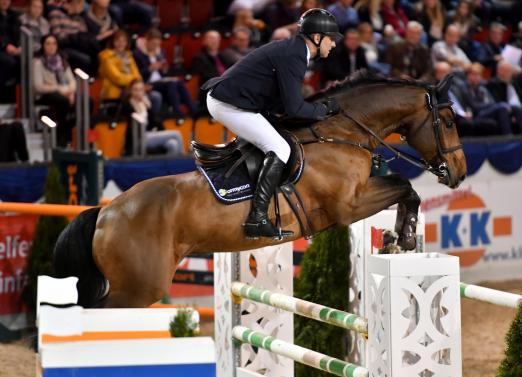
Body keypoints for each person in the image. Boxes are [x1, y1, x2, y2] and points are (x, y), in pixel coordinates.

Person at [202, 8, 342, 239]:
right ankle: (257, 218)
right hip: (228, 104)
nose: (334, 44)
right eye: (331, 38)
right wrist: (324, 110)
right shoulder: (295, 55)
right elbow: (294, 108)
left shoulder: (295, 50)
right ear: (317, 38)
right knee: (280, 148)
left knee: (281, 136)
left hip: (238, 100)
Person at [134, 28, 196, 119]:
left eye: (158, 44)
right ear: (147, 41)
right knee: (172, 84)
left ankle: (193, 110)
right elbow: (138, 76)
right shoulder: (138, 54)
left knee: (179, 82)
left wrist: (164, 69)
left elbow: (165, 72)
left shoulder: (161, 52)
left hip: (161, 81)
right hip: (148, 83)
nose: (156, 46)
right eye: (153, 44)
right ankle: (177, 112)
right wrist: (150, 69)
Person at [98, 30, 161, 117]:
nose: (121, 44)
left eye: (123, 41)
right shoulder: (106, 57)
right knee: (137, 96)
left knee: (155, 96)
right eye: (118, 41)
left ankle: (149, 123)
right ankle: (138, 124)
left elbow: (137, 74)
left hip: (133, 89)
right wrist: (135, 84)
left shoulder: (128, 55)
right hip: (116, 91)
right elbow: (118, 78)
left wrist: (138, 85)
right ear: (113, 42)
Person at [33, 34, 77, 146]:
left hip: (64, 93)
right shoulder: (38, 63)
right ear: (43, 46)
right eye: (48, 43)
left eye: (54, 43)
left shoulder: (62, 61)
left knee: (87, 101)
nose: (51, 46)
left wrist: (69, 92)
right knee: (62, 101)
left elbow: (72, 81)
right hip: (45, 94)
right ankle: (60, 137)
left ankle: (72, 134)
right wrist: (58, 89)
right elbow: (38, 86)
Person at [121, 80, 184, 157]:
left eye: (140, 89)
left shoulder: (145, 102)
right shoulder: (128, 104)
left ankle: (170, 168)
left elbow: (154, 121)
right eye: (135, 90)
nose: (138, 92)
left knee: (172, 144)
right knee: (176, 134)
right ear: (131, 91)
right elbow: (132, 124)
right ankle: (183, 163)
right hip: (139, 138)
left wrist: (148, 106)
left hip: (151, 134)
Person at [453, 63, 513, 135]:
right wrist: (489, 105)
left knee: (514, 108)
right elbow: (474, 106)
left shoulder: (482, 88)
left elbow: (492, 102)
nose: (477, 77)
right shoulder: (464, 87)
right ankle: (508, 136)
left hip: (485, 112)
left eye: (479, 75)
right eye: (474, 74)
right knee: (502, 107)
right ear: (468, 75)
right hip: (474, 115)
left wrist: (489, 105)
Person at [191, 30, 227, 107]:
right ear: (204, 41)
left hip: (225, 86)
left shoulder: (223, 56)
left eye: (217, 39)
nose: (214, 41)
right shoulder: (199, 58)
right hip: (209, 90)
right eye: (211, 38)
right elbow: (204, 78)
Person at [487, 60, 522, 133]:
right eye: (506, 71)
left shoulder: (514, 83)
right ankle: (509, 139)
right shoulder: (493, 83)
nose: (509, 74)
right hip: (506, 110)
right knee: (515, 108)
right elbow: (496, 102)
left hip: (517, 108)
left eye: (510, 71)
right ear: (499, 71)